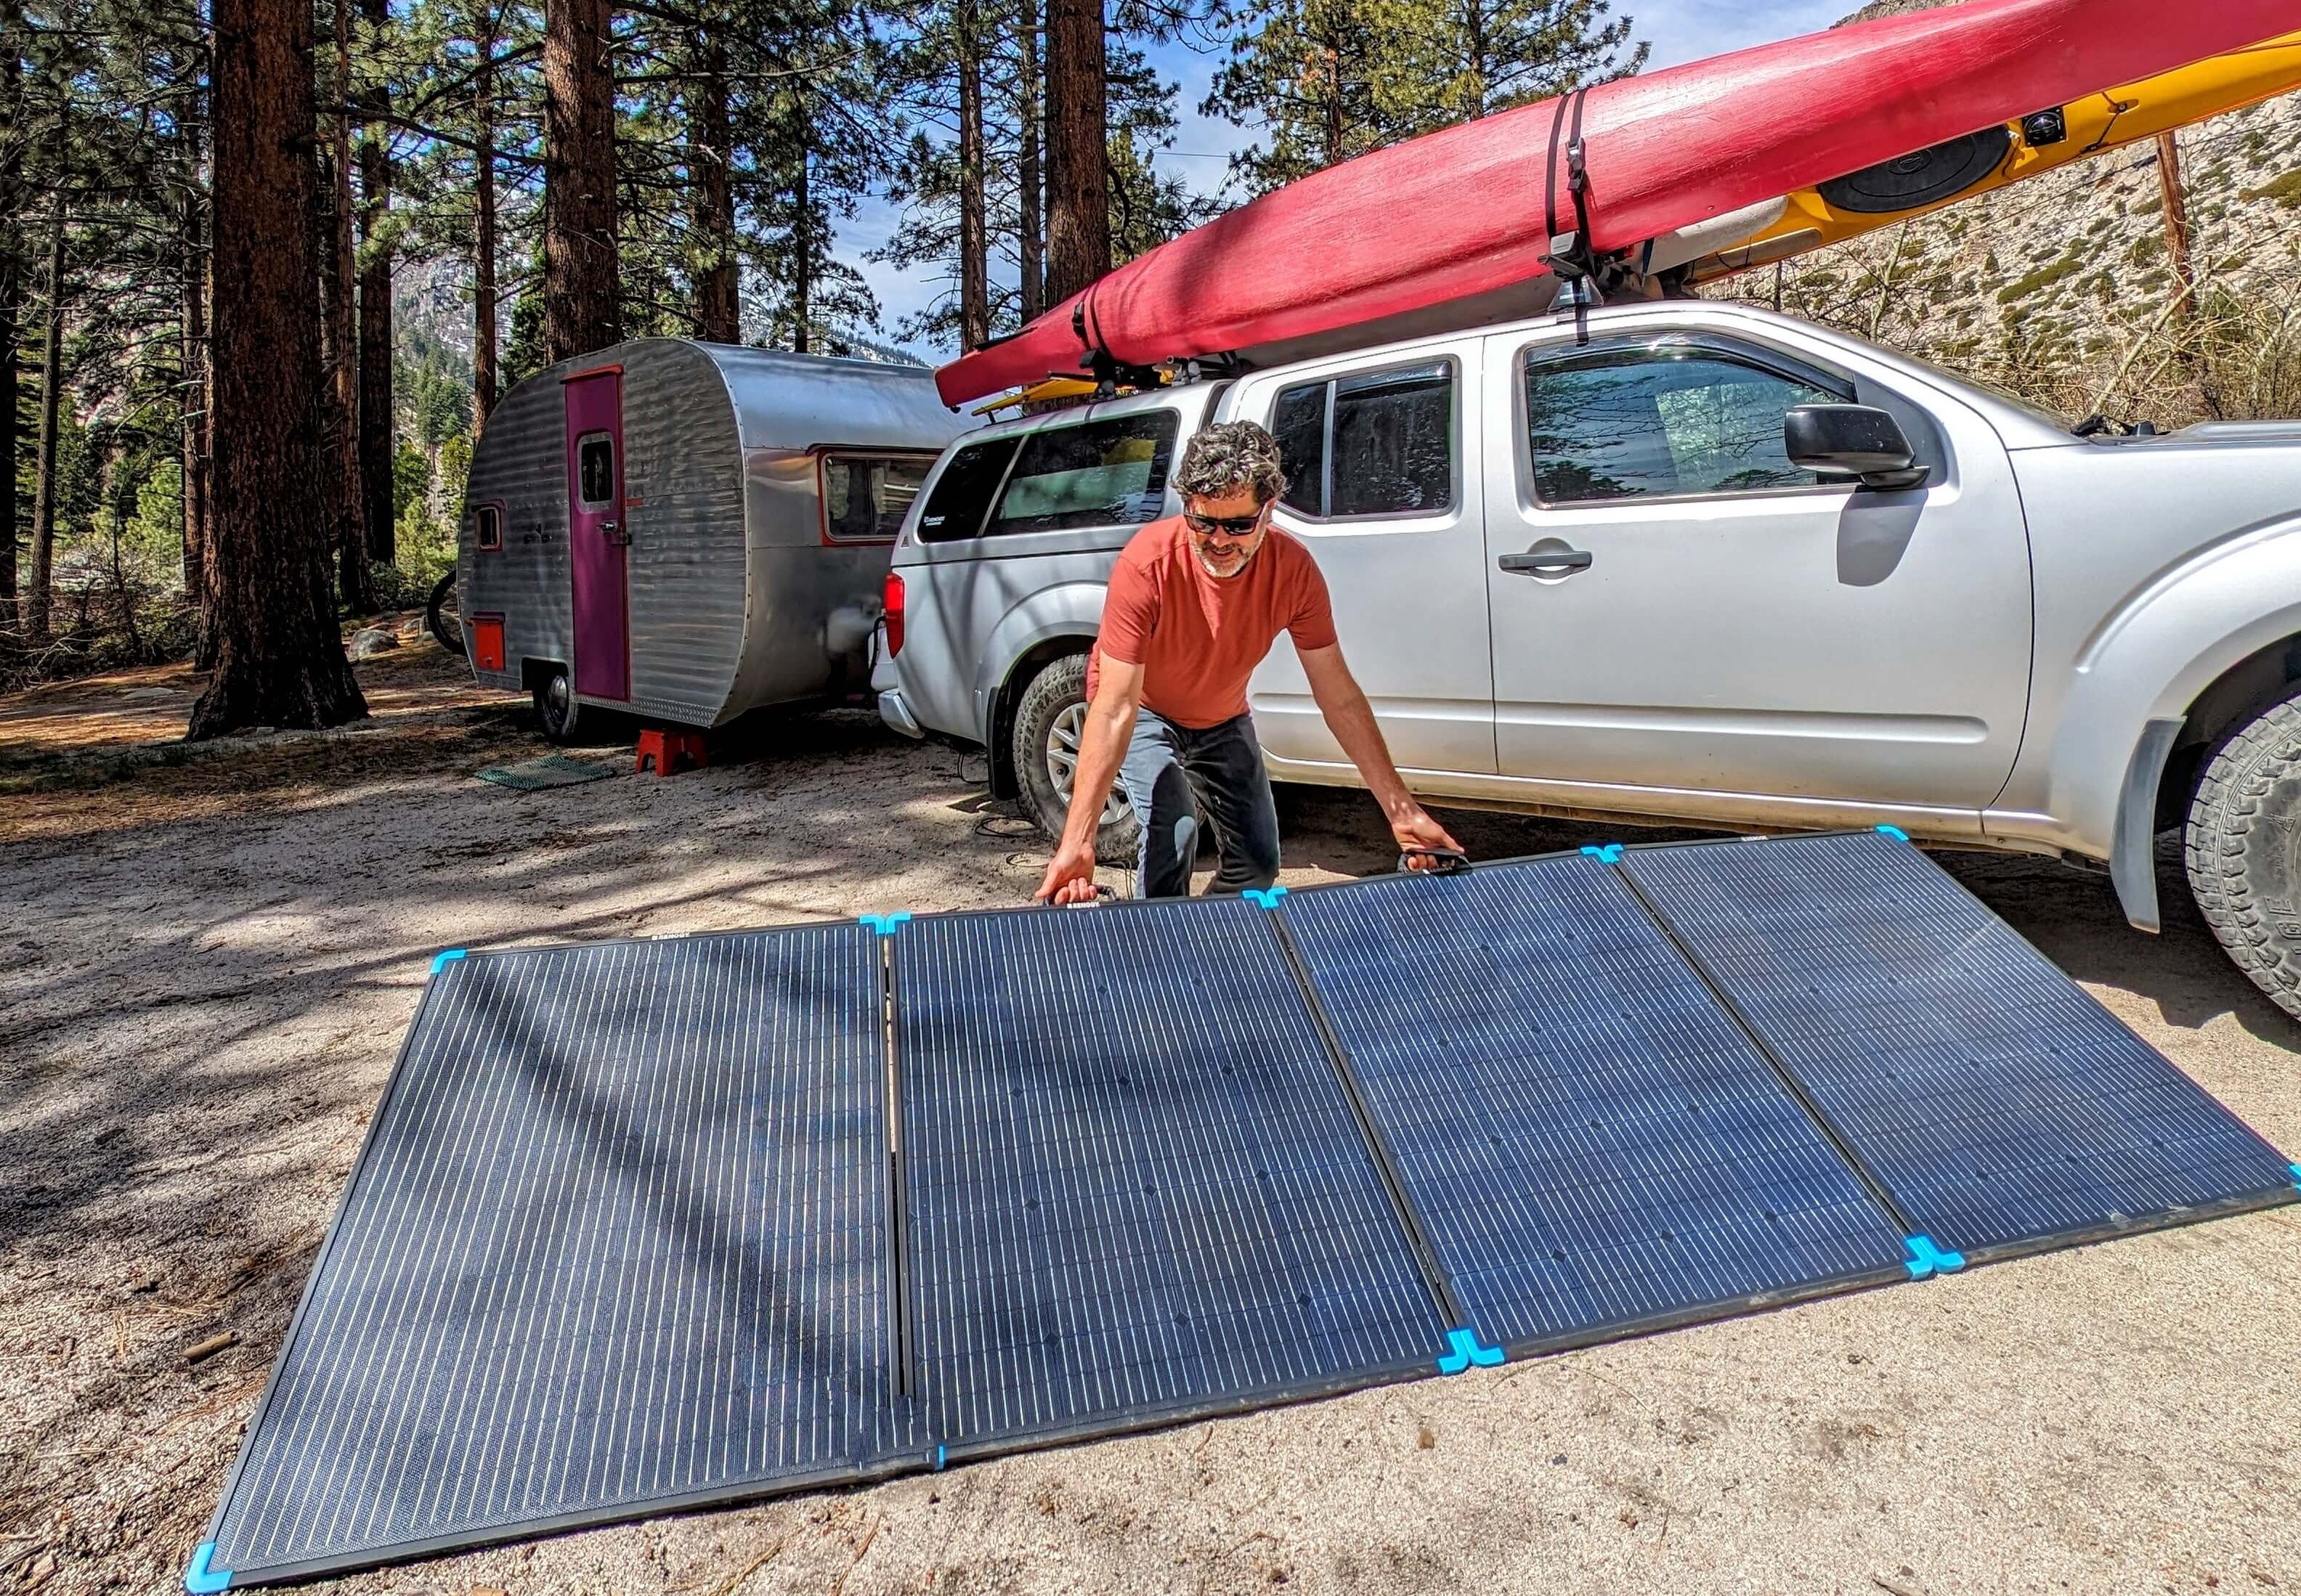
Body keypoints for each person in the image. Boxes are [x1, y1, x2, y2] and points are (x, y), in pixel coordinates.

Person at [1034, 420, 1462, 905]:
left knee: (1258, 863)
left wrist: (1401, 809)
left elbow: (1338, 696)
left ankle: (1216, 938)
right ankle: (1157, 946)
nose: (1219, 541)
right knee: (1174, 835)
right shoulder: (1146, 565)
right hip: (1146, 709)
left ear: (1269, 509)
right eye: (1203, 523)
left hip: (1223, 715)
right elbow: (1113, 710)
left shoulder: (1294, 572)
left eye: (1238, 525)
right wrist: (1078, 840)